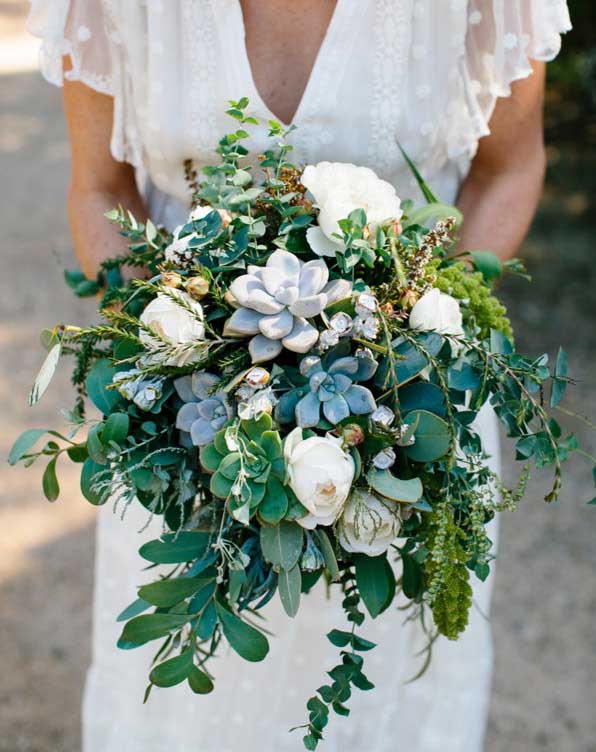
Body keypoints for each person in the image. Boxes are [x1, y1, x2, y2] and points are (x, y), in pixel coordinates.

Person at [26, 1, 571, 750]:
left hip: (408, 427)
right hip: (191, 431)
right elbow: (100, 188)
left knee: (391, 704)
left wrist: (412, 349)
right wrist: (182, 350)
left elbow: (508, 167)